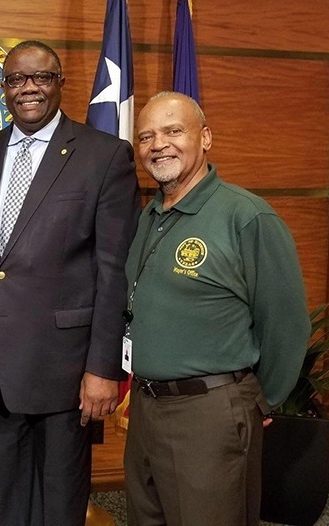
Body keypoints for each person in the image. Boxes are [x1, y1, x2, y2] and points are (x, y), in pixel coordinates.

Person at [0, 40, 141, 526]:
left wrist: (104, 367)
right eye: (17, 79)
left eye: (41, 77)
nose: (29, 88)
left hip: (67, 373)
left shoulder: (104, 156)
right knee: (5, 502)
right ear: (5, 88)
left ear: (60, 83)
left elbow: (114, 270)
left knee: (59, 505)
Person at [124, 91, 310, 525]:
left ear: (205, 137)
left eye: (173, 131)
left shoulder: (245, 216)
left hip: (209, 413)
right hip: (147, 406)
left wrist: (261, 400)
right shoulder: (148, 216)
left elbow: (286, 321)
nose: (158, 145)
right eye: (146, 136)